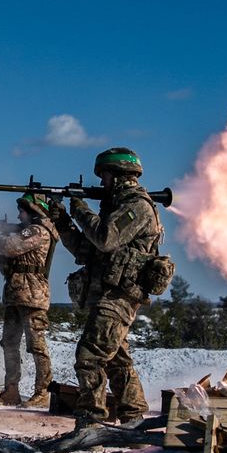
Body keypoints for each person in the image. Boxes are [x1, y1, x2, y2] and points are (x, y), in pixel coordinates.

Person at [51, 146, 164, 430]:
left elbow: (106, 238)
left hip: (120, 296)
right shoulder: (115, 209)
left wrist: (79, 208)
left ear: (119, 175)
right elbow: (85, 250)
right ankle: (134, 416)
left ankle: (91, 422)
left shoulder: (137, 207)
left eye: (105, 177)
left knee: (89, 356)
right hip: (108, 295)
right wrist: (63, 220)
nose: (102, 183)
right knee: (116, 359)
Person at [0, 193, 57, 407]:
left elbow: (8, 247)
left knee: (36, 345)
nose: (18, 216)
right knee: (9, 343)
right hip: (16, 294)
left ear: (33, 210)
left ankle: (42, 392)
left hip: (33, 296)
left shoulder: (37, 230)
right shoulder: (24, 234)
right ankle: (11, 390)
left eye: (22, 211)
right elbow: (3, 262)